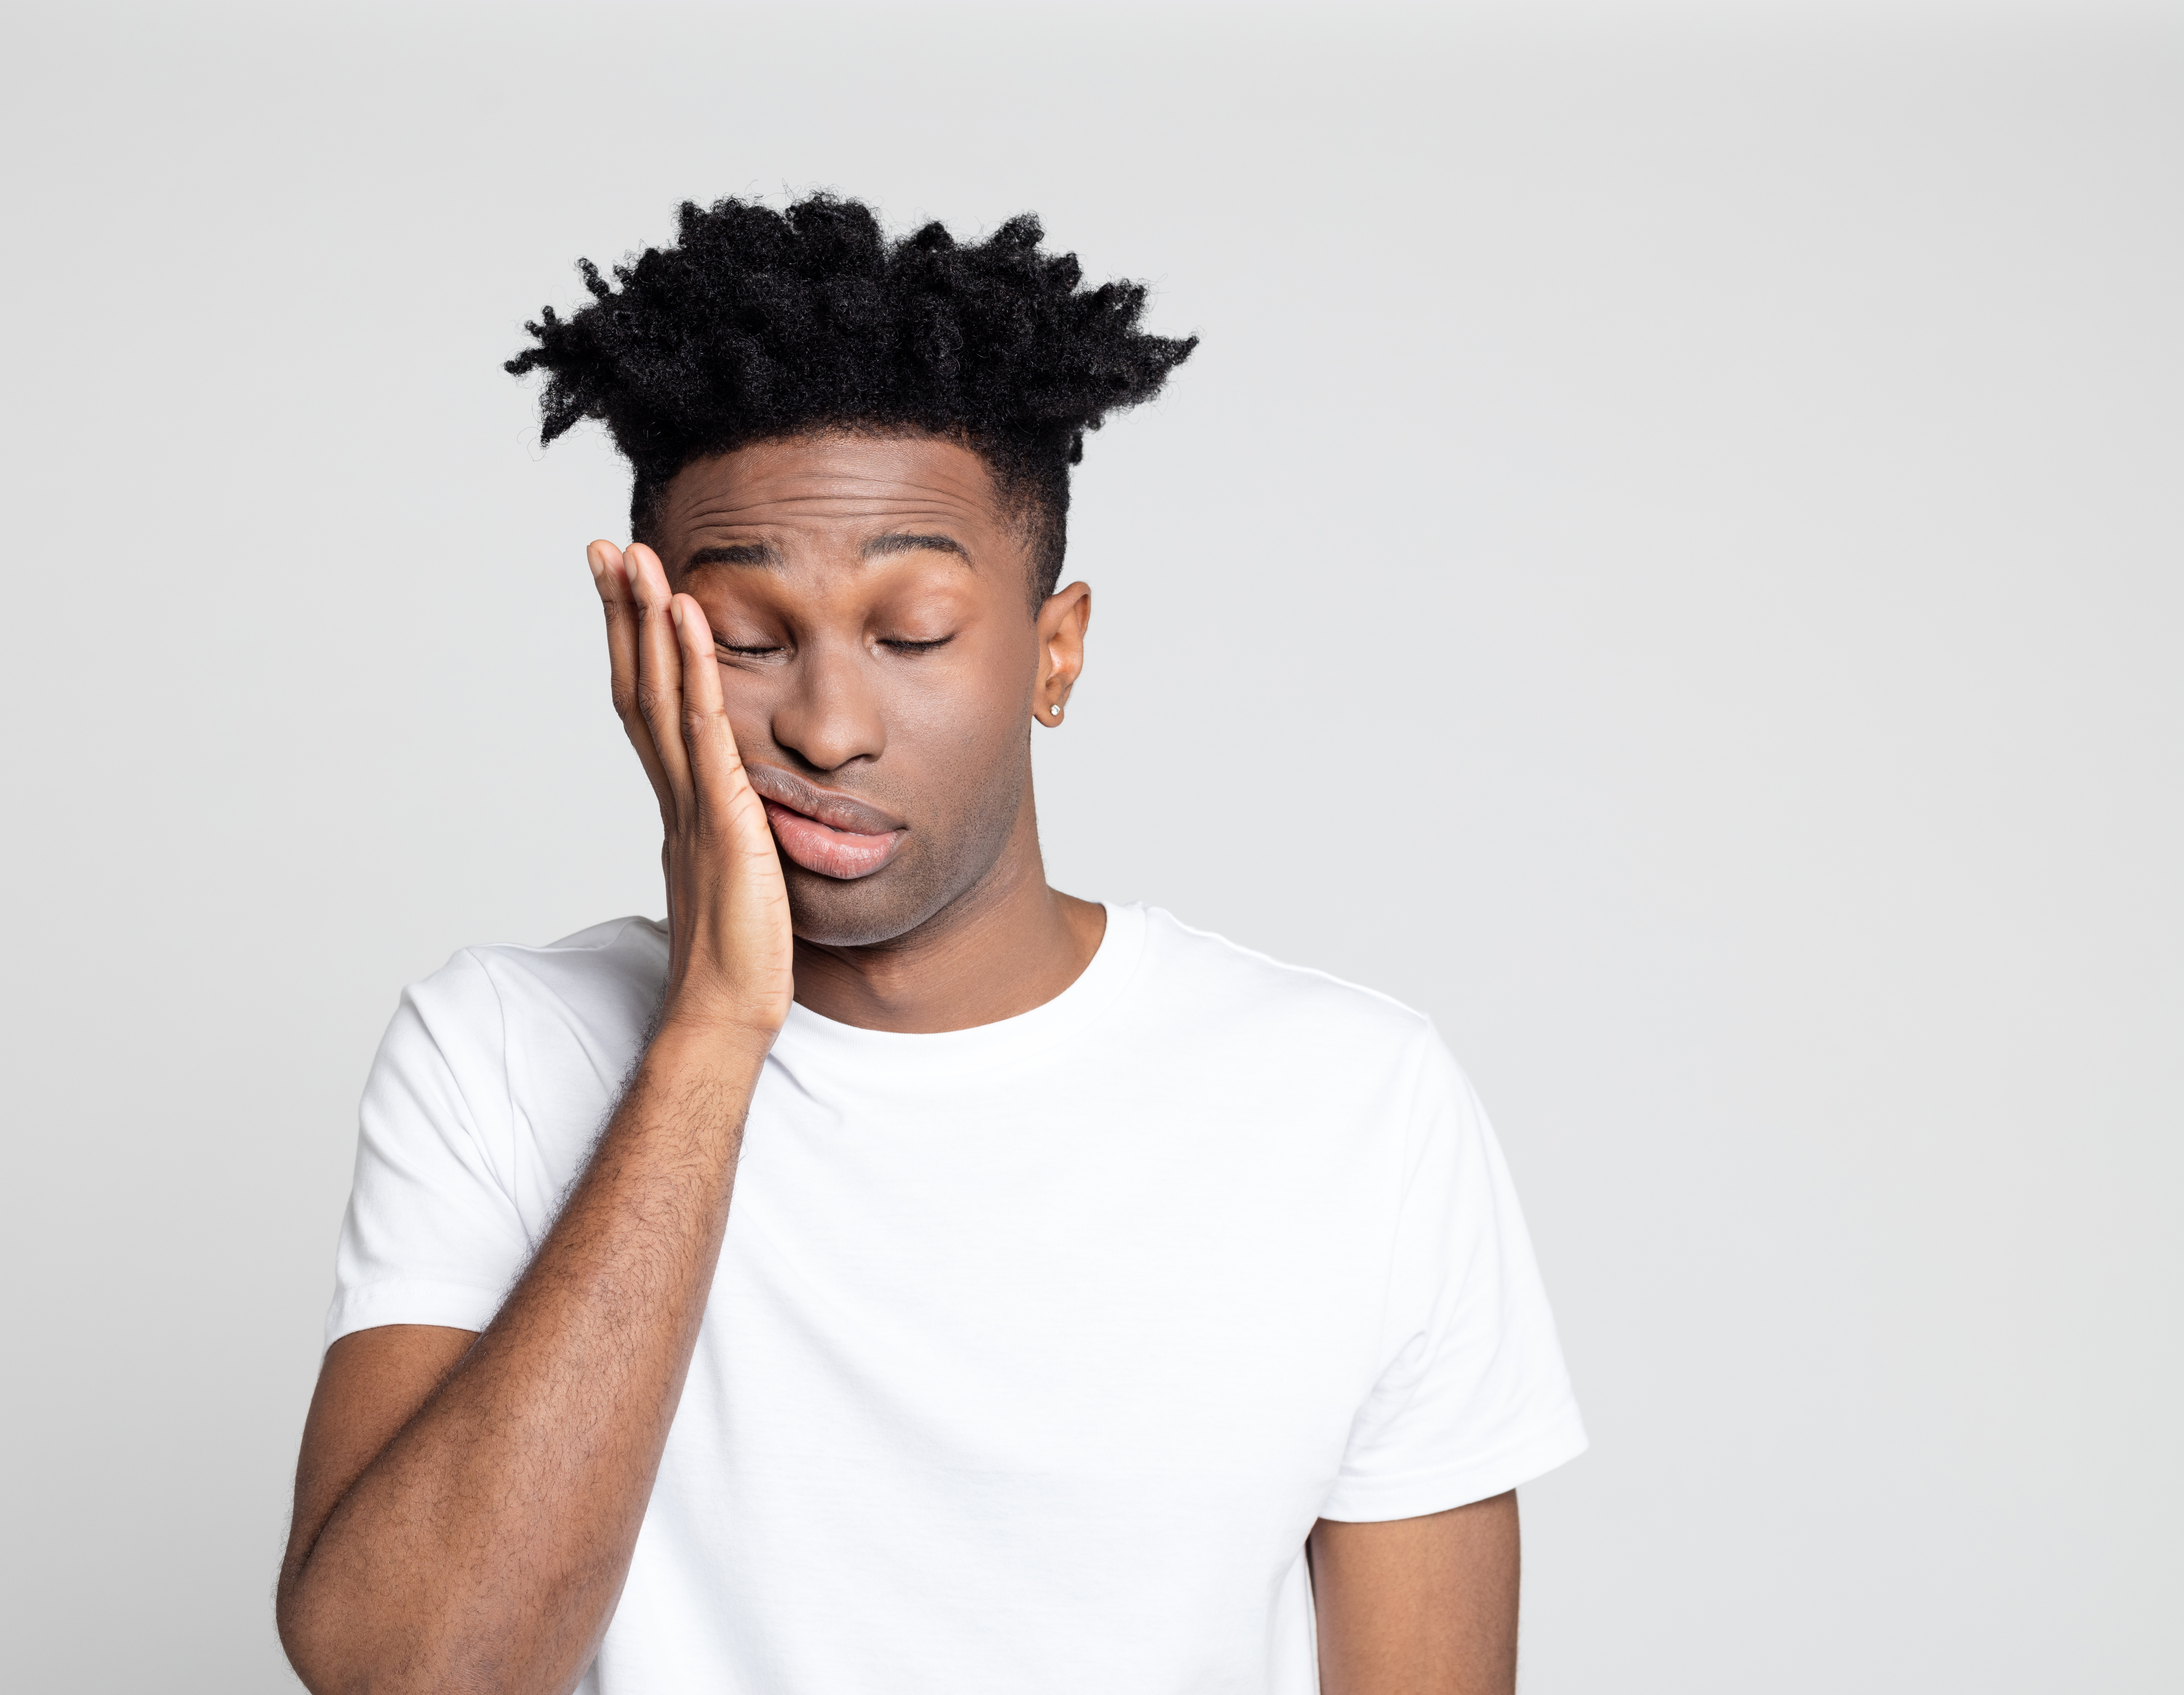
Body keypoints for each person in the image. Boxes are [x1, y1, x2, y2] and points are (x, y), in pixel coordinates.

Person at [275, 194, 1585, 1695]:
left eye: (909, 636)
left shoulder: (1352, 1100)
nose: (828, 730)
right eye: (751, 642)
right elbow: (408, 1672)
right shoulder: (502, 1050)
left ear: (1054, 648)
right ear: (649, 663)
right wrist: (711, 1021)